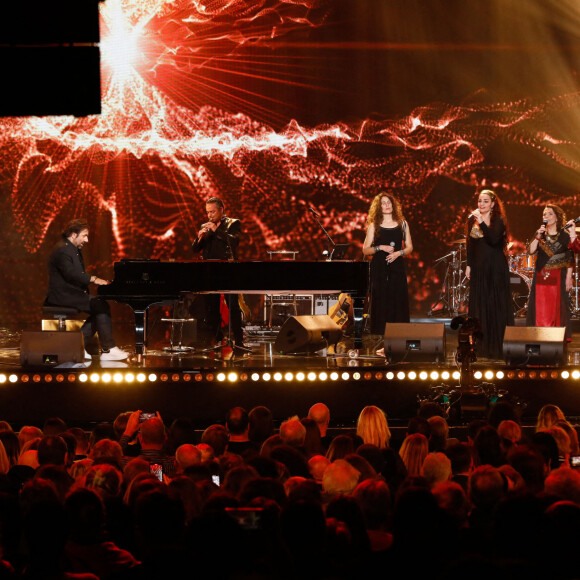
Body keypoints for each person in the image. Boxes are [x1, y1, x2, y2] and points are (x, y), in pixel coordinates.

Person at [45, 219, 128, 361]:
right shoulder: (62, 249)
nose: (87, 240)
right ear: (73, 234)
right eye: (84, 235)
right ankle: (108, 349)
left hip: (71, 293)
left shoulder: (72, 248)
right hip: (62, 295)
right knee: (100, 306)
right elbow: (72, 273)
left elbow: (77, 275)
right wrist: (95, 280)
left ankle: (77, 346)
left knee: (100, 307)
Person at [465, 189, 513, 359]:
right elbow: (470, 244)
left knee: (494, 305)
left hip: (495, 268)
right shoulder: (473, 221)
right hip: (479, 268)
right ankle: (480, 347)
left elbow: (493, 240)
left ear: (493, 204)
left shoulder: (497, 220)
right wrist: (469, 265)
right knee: (480, 306)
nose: (481, 204)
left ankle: (497, 346)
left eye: (485, 201)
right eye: (479, 201)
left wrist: (482, 222)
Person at [191, 196, 244, 347]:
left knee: (233, 305)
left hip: (228, 270)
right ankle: (218, 338)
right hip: (210, 271)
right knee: (211, 307)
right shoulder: (206, 225)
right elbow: (195, 249)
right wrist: (199, 238)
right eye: (208, 212)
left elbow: (233, 241)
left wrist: (217, 230)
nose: (210, 215)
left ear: (221, 210)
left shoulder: (233, 223)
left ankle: (239, 340)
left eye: (213, 212)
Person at [363, 192, 413, 337]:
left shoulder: (402, 223)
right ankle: (381, 336)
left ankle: (398, 335)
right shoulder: (374, 225)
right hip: (379, 267)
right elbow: (365, 249)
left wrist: (399, 253)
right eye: (383, 203)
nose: (386, 205)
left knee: (397, 299)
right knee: (381, 300)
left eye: (389, 202)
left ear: (393, 204)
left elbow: (409, 247)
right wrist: (380, 248)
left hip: (397, 266)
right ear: (379, 207)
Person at [526, 205, 573, 336]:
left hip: (558, 275)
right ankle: (539, 333)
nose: (545, 216)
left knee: (555, 306)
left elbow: (570, 259)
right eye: (544, 214)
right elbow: (530, 251)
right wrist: (538, 236)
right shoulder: (540, 233)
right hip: (541, 273)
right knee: (541, 306)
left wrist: (569, 278)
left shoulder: (564, 236)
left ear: (557, 217)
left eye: (549, 214)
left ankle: (555, 335)